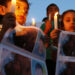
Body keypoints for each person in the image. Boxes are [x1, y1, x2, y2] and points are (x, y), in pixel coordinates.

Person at [40, 3, 59, 75]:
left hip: (58, 56)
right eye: (51, 10)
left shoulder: (61, 24)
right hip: (46, 56)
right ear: (47, 13)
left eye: (56, 10)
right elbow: (39, 39)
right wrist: (46, 29)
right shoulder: (44, 25)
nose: (53, 12)